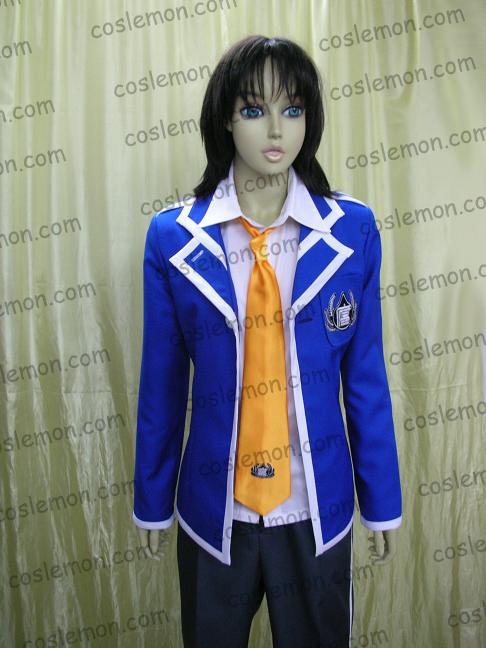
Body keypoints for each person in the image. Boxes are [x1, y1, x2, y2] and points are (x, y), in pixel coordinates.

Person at [132, 34, 402, 648]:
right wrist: (152, 500)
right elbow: (161, 387)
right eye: (254, 109)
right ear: (226, 118)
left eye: (293, 108)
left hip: (315, 507)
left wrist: (380, 498)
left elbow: (365, 376)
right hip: (214, 511)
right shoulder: (174, 238)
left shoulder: (351, 231)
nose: (276, 129)